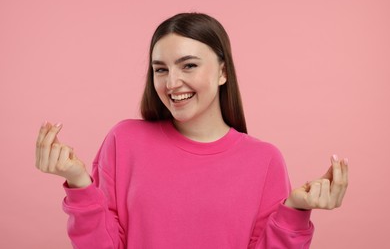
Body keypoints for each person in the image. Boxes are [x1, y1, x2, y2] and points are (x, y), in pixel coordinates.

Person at [35, 13, 349, 249]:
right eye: (161, 69)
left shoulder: (264, 160)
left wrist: (296, 209)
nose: (171, 83)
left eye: (188, 65)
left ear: (223, 72)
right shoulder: (124, 140)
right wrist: (79, 183)